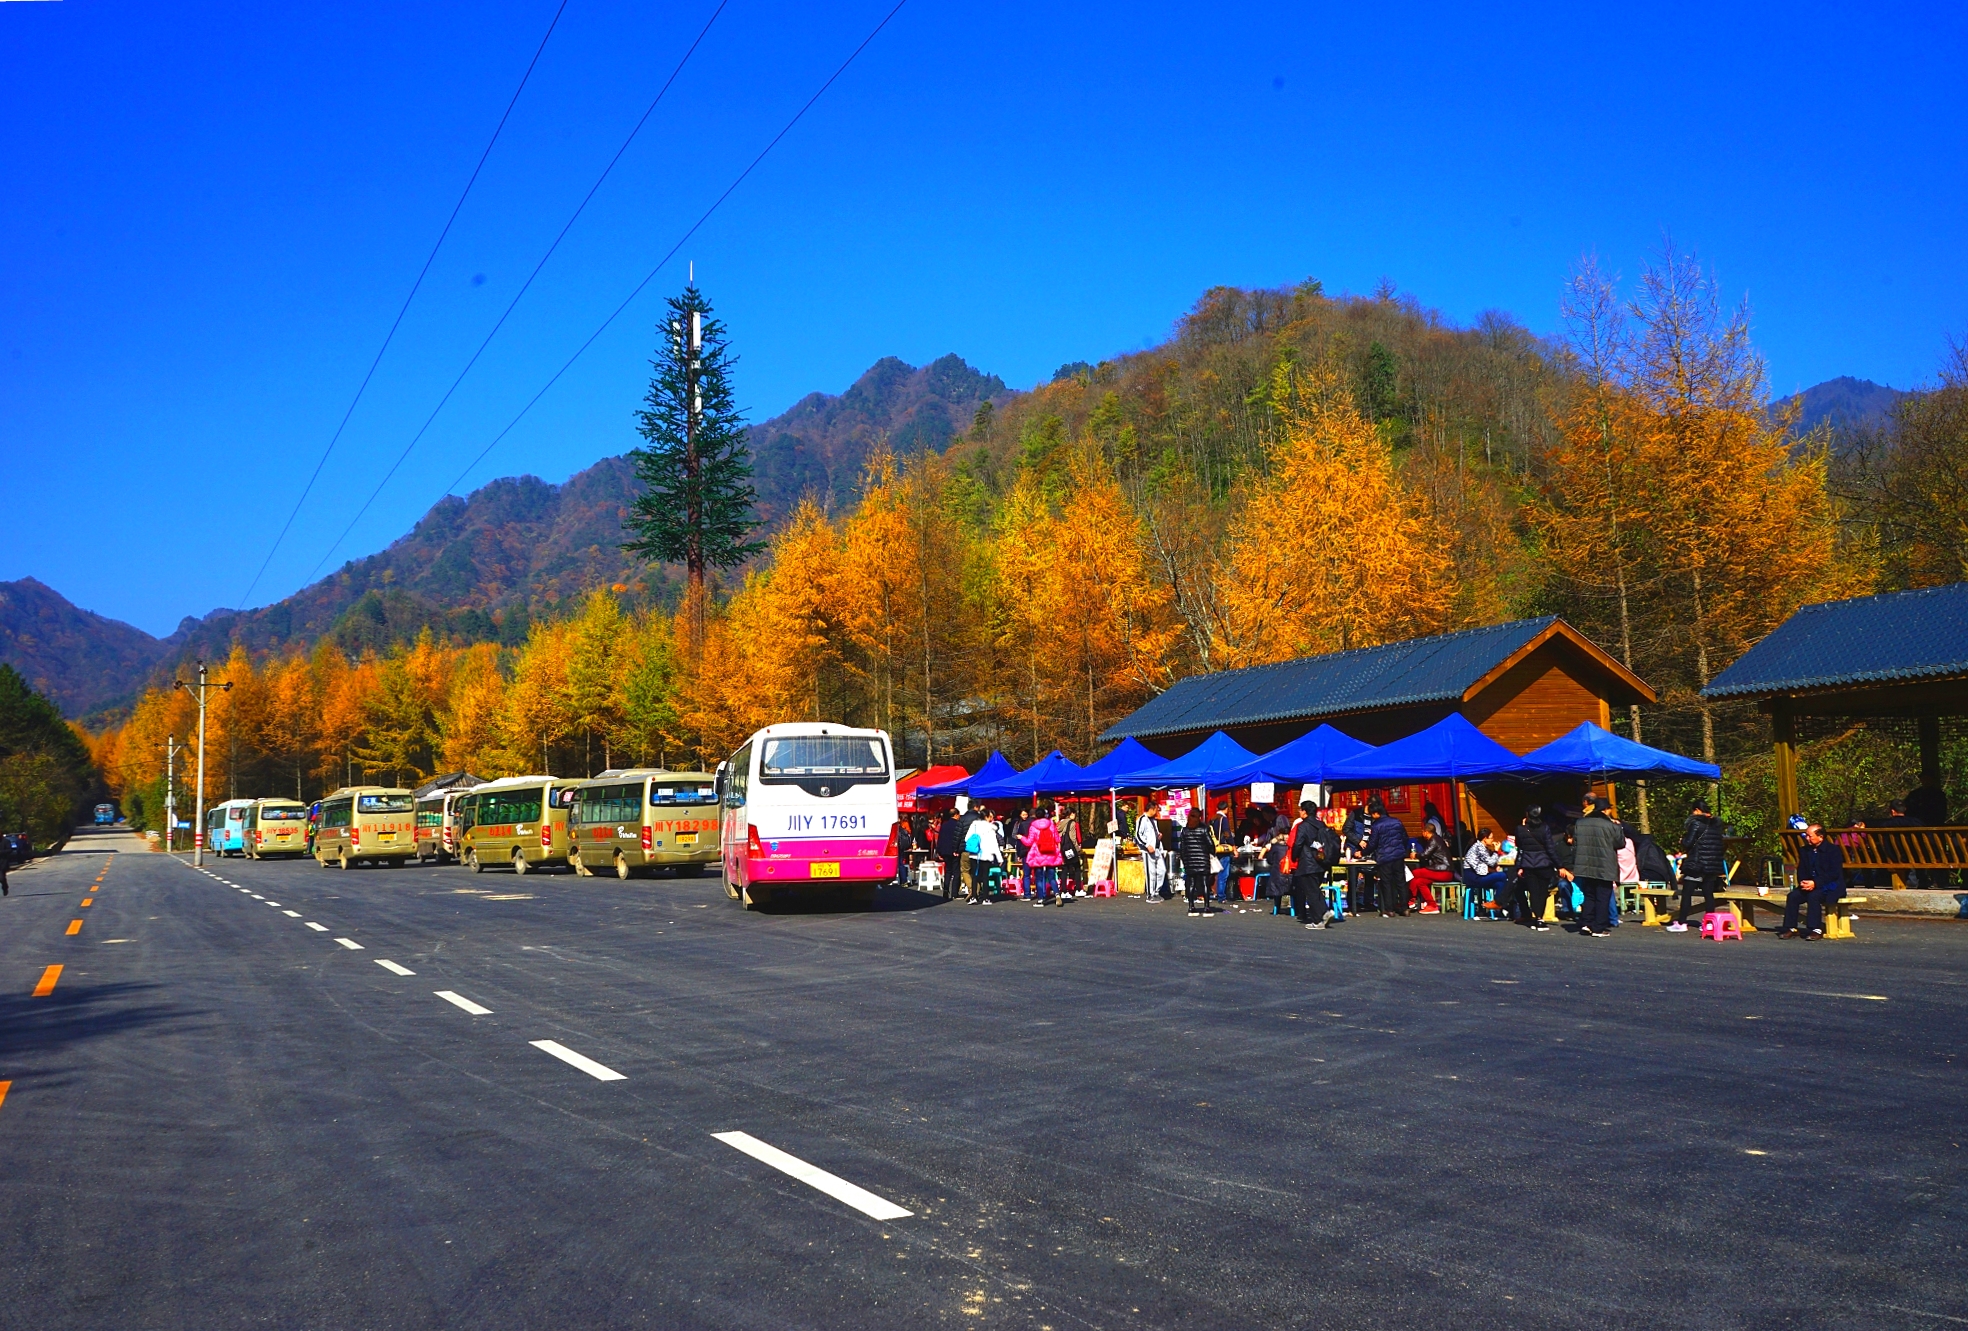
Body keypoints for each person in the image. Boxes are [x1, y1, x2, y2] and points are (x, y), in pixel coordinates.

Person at [1668, 798, 1727, 932]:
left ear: (1697, 810)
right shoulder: (1717, 825)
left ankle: (1682, 922)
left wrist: (1682, 840)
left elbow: (1688, 843)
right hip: (1712, 865)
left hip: (1697, 863)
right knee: (1708, 894)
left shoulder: (1696, 824)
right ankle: (1709, 923)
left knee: (1687, 893)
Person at [1781, 821, 1847, 939]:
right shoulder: (1805, 851)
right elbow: (1801, 869)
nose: (1807, 838)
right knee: (1793, 896)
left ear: (1820, 837)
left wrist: (1816, 883)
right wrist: (1803, 882)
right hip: (1809, 884)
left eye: (1810, 836)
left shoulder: (1833, 851)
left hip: (1830, 885)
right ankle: (1790, 927)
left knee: (1814, 896)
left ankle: (1815, 929)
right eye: (1806, 835)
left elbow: (1834, 873)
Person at [1570, 793, 1623, 937]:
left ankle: (1586, 923)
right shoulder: (1611, 825)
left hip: (1586, 864)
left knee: (1589, 895)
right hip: (1605, 864)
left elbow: (1575, 842)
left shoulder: (1580, 823)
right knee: (1602, 896)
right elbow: (1620, 843)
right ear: (1606, 810)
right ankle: (1598, 927)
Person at [1505, 806, 1556, 931]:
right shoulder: (1545, 828)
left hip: (1528, 864)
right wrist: (1559, 864)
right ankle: (1540, 918)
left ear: (1527, 815)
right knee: (1543, 892)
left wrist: (1523, 826)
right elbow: (1550, 848)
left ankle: (1537, 918)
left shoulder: (1520, 829)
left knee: (1533, 892)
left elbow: (1519, 845)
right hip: (1544, 863)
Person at [1289, 805, 1340, 928]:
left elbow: (1298, 843)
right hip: (1321, 861)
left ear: (1305, 812)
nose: (1299, 812)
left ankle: (1321, 916)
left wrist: (1294, 856)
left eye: (1301, 810)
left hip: (1307, 862)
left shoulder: (1303, 826)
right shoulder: (1321, 824)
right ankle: (1322, 916)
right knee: (1315, 889)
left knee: (1311, 891)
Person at [1366, 799, 1411, 918]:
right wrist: (1402, 850)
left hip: (1385, 857)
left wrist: (1363, 852)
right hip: (1399, 855)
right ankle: (1405, 908)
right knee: (1401, 882)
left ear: (1376, 813)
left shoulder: (1376, 825)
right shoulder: (1397, 821)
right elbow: (1405, 838)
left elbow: (1373, 843)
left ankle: (1389, 909)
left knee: (1387, 883)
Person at [1020, 802, 1066, 909]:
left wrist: (1021, 837)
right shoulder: (1051, 824)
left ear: (1036, 815)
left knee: (1039, 878)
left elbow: (1029, 842)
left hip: (1038, 854)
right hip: (1050, 852)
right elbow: (1057, 839)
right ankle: (1057, 894)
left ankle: (1040, 899)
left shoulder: (1033, 826)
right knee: (1051, 876)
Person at [1175, 809, 1218, 917]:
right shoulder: (1203, 829)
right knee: (1204, 883)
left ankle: (1191, 907)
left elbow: (1182, 847)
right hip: (1202, 860)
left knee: (1191, 883)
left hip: (1190, 860)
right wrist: (1212, 852)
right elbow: (1210, 844)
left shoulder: (1185, 830)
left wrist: (1184, 860)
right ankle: (1206, 907)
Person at [1462, 829, 1508, 916]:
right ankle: (1500, 904)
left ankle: (1498, 905)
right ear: (1484, 839)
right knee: (1503, 875)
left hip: (1479, 875)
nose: (1492, 840)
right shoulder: (1479, 847)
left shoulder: (1483, 848)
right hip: (1473, 877)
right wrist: (1496, 851)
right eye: (1491, 838)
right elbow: (1490, 862)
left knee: (1500, 883)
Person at [1408, 826, 1451, 914]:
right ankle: (1432, 905)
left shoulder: (1433, 840)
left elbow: (1425, 855)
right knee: (1420, 882)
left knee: (1415, 873)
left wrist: (1415, 855)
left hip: (1443, 871)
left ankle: (1411, 900)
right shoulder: (1438, 839)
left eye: (1423, 832)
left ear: (1426, 832)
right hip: (1443, 870)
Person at [1341, 804, 1374, 912]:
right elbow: (1346, 829)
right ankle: (1352, 902)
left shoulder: (1376, 815)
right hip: (1354, 848)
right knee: (1353, 876)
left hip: (1369, 849)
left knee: (1370, 875)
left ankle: (1368, 901)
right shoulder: (1355, 814)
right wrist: (1358, 841)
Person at [966, 811, 1002, 903]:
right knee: (985, 877)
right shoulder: (990, 828)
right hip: (987, 854)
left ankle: (974, 896)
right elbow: (994, 844)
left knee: (974, 876)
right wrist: (999, 858)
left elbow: (967, 838)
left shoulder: (974, 825)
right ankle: (986, 898)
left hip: (974, 854)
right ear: (986, 817)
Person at [936, 806, 971, 902]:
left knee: (948, 871)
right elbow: (959, 838)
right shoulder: (958, 825)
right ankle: (954, 893)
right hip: (954, 851)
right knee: (956, 872)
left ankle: (945, 891)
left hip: (945, 851)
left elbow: (940, 839)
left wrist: (939, 851)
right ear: (956, 815)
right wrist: (957, 850)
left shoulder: (944, 825)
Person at [1135, 804, 1168, 902]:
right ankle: (1150, 894)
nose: (1157, 812)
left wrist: (1158, 836)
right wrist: (1146, 845)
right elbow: (1138, 835)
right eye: (1156, 810)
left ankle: (1157, 891)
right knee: (1151, 872)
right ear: (1151, 809)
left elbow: (1152, 833)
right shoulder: (1142, 819)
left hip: (1157, 849)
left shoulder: (1154, 820)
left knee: (1162, 870)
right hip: (1148, 850)